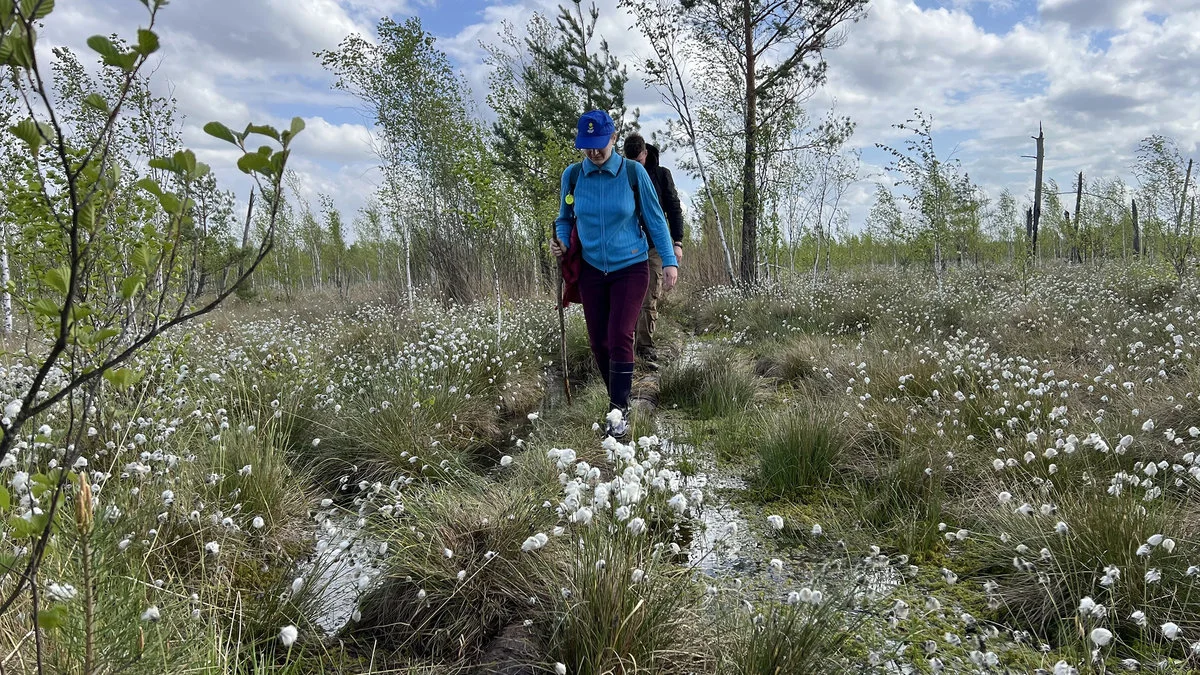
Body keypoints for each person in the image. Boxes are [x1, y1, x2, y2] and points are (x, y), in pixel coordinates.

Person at [551, 110, 678, 438]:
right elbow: (565, 218)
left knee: (621, 334)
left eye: (599, 145)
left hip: (631, 266)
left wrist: (669, 261)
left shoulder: (634, 173)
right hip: (592, 269)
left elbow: (655, 220)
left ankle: (618, 409)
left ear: (613, 138)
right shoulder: (574, 176)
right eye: (586, 146)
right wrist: (562, 242)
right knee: (599, 341)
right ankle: (617, 398)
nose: (593, 152)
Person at [622, 133, 684, 370]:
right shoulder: (622, 174)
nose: (634, 166)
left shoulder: (661, 175)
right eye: (631, 162)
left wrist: (676, 243)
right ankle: (623, 349)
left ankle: (645, 349)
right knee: (627, 299)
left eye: (638, 161)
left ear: (645, 154)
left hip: (655, 247)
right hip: (627, 247)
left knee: (649, 298)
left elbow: (674, 210)